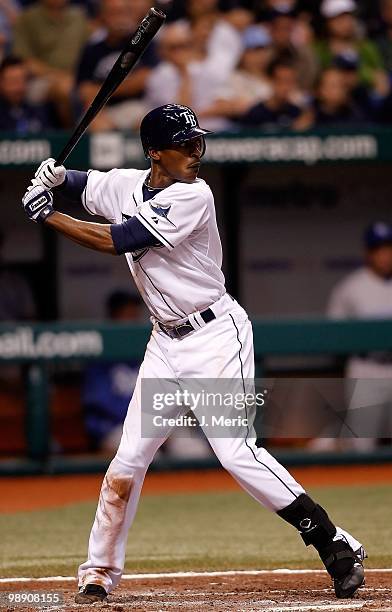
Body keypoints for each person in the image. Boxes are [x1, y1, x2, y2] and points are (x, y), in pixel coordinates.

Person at [23, 103, 366, 604]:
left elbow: (122, 238)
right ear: (154, 152)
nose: (195, 152)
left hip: (214, 338)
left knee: (236, 453)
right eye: (184, 145)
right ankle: (97, 571)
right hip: (164, 343)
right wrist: (54, 177)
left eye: (197, 143)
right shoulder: (125, 184)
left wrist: (47, 213)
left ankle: (333, 543)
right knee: (127, 461)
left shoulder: (193, 194)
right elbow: (84, 182)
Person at [327, 221, 392, 450]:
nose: (385, 255)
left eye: (388, 248)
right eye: (378, 249)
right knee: (362, 445)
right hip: (366, 368)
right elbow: (334, 336)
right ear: (368, 252)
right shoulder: (351, 287)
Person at [75, 0, 157, 132]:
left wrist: (103, 90)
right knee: (97, 125)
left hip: (134, 105)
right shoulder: (92, 48)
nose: (121, 18)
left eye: (124, 13)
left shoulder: (144, 42)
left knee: (147, 120)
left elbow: (142, 81)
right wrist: (125, 86)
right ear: (103, 17)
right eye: (114, 13)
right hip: (101, 109)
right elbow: (83, 90)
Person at [82, 291, 143, 453]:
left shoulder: (148, 349)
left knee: (191, 449)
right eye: (127, 315)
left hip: (151, 423)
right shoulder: (100, 357)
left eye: (135, 316)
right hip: (115, 427)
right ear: (114, 317)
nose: (132, 321)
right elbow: (101, 404)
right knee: (141, 453)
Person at [12, 0, 89, 126]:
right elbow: (24, 61)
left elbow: (90, 50)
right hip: (37, 81)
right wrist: (60, 76)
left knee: (92, 88)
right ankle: (73, 136)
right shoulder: (27, 18)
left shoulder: (79, 17)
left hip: (75, 78)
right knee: (65, 88)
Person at [239, 57, 312, 130]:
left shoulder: (297, 113)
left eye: (290, 82)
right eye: (281, 81)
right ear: (271, 81)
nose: (285, 87)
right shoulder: (255, 114)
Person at [0, 55, 53, 133]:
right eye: (13, 81)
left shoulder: (39, 111)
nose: (19, 88)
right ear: (1, 82)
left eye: (22, 80)